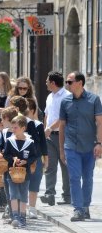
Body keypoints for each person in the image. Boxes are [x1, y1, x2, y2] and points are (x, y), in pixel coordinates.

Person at [59, 71, 102, 222]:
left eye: (70, 82)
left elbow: (99, 123)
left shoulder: (94, 100)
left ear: (80, 83)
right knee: (75, 178)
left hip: (90, 146)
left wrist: (99, 143)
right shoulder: (65, 102)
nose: (67, 85)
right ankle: (78, 209)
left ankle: (85, 206)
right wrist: (61, 150)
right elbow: (62, 126)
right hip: (71, 146)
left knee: (88, 178)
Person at [41, 71, 71, 206]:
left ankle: (67, 196)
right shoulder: (49, 97)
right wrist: (45, 128)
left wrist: (50, 128)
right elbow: (47, 115)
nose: (46, 83)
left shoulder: (67, 97)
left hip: (63, 135)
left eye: (47, 81)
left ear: (53, 83)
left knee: (65, 165)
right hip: (49, 136)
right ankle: (49, 194)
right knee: (50, 165)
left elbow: (63, 119)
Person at [3, 115, 37, 228]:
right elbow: (6, 154)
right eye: (12, 127)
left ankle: (23, 217)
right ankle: (15, 216)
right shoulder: (10, 141)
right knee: (13, 194)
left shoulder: (30, 142)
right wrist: (13, 159)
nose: (13, 130)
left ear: (23, 128)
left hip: (25, 173)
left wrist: (26, 161)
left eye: (16, 127)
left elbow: (34, 156)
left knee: (23, 195)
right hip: (11, 173)